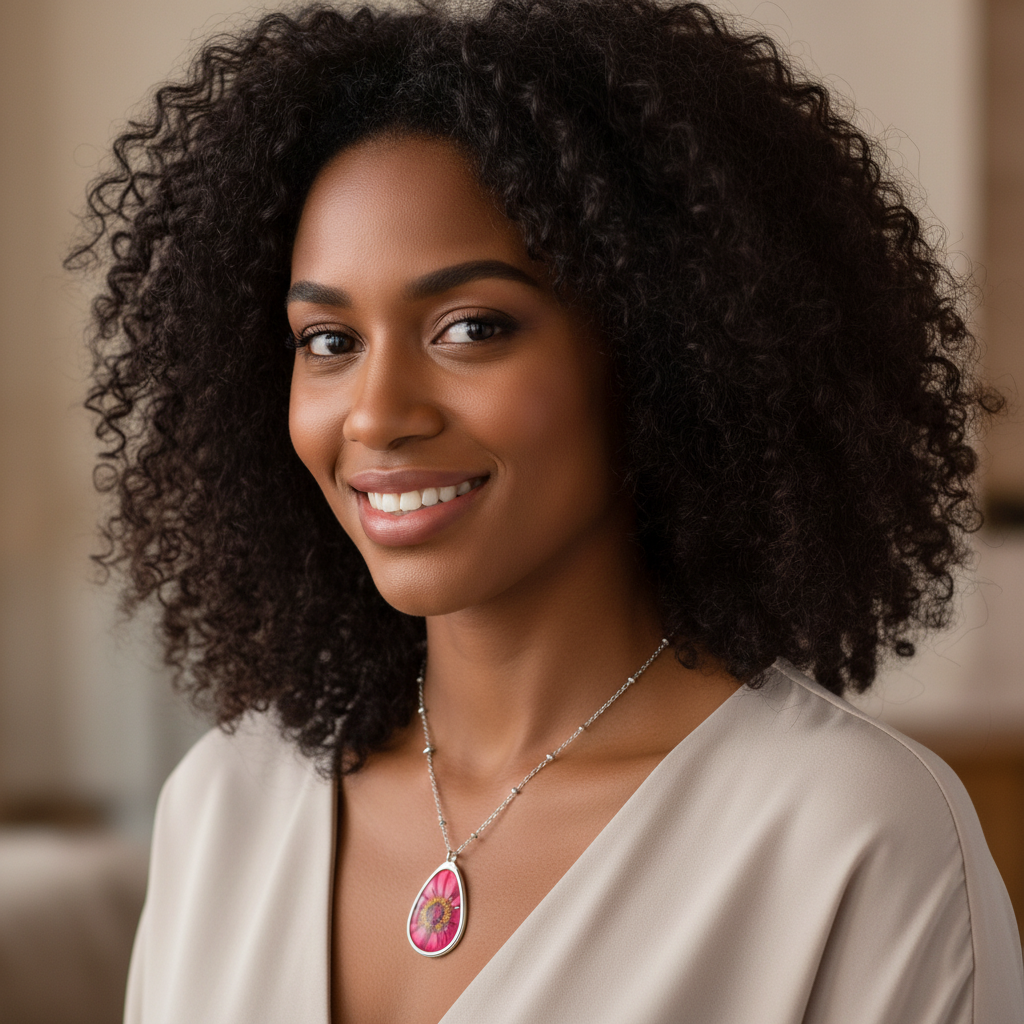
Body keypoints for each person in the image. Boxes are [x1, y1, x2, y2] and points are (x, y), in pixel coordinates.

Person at [68, 0, 1024, 1020]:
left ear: (661, 348)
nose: (377, 415)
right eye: (329, 341)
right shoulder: (224, 805)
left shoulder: (854, 839)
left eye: (471, 327)